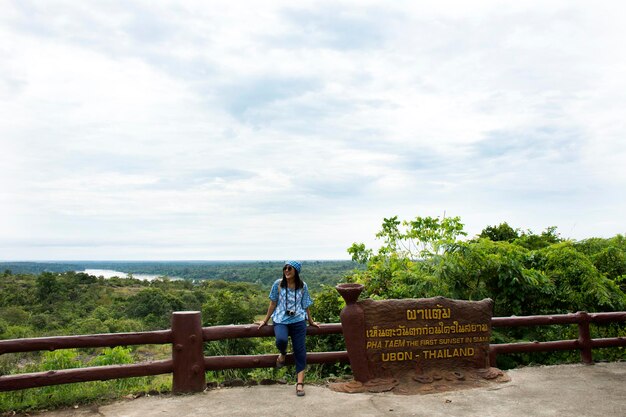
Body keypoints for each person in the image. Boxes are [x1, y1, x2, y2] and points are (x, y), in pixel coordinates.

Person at [258, 260, 319, 397]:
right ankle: (283, 354)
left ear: (296, 271)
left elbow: (305, 305)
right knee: (281, 340)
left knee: (300, 350)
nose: (286, 270)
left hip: (298, 320)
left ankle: (300, 383)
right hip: (280, 319)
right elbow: (273, 303)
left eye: (289, 268)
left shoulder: (303, 286)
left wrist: (311, 321)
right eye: (285, 268)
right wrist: (265, 320)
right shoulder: (278, 284)